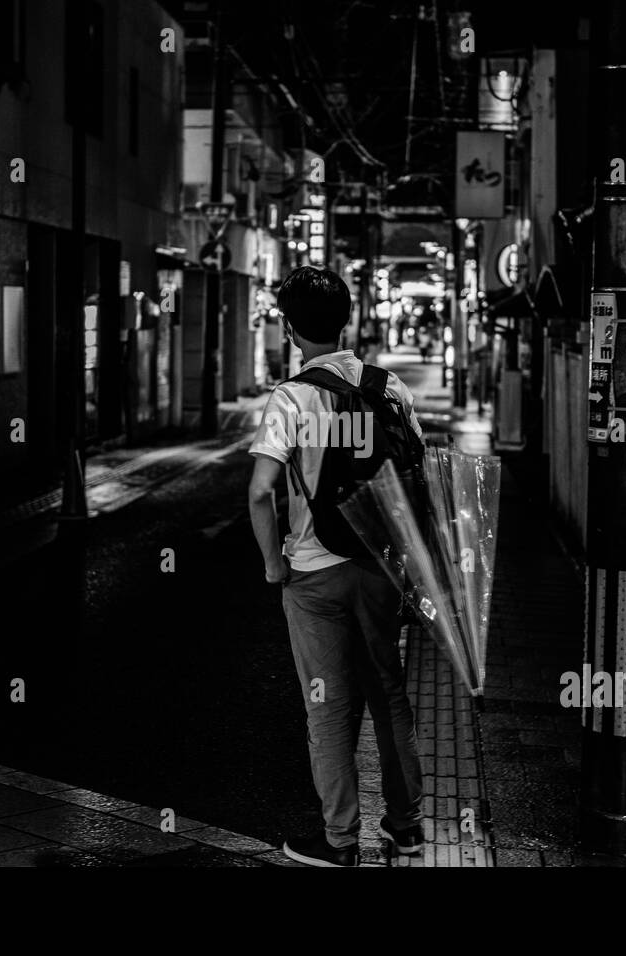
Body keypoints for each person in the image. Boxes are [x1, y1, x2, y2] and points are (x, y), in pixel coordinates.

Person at [247, 266, 426, 867]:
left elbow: (260, 490)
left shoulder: (292, 397)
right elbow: (421, 473)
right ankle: (405, 829)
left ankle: (339, 840)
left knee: (327, 708)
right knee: (389, 700)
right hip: (381, 569)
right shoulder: (390, 388)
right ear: (347, 319)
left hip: (314, 574)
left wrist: (275, 565)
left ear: (292, 330)